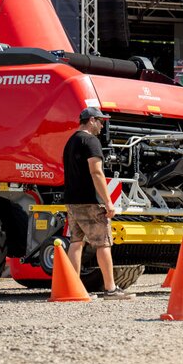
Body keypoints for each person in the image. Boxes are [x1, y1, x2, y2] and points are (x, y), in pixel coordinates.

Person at [62, 107, 133, 299]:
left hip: (72, 201)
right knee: (103, 243)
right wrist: (108, 202)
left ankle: (74, 289)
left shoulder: (71, 141)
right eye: (101, 121)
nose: (102, 126)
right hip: (90, 201)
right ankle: (110, 289)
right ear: (91, 120)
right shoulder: (91, 141)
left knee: (76, 243)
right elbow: (96, 171)